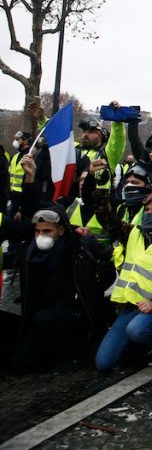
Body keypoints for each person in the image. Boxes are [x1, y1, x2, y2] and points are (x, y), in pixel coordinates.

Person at [0, 155, 114, 374]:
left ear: (61, 231)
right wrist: (31, 178)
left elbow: (105, 265)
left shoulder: (76, 245)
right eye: (38, 231)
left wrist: (90, 177)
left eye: (48, 231)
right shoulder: (31, 252)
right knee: (18, 364)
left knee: (45, 321)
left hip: (73, 313)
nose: (42, 235)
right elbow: (34, 208)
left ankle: (73, 349)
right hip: (41, 314)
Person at [94, 192, 152, 372]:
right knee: (104, 364)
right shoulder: (132, 233)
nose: (149, 213)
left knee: (137, 330)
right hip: (129, 307)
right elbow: (106, 218)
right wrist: (101, 189)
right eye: (146, 209)